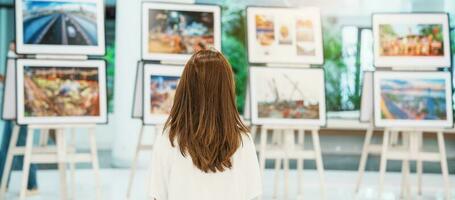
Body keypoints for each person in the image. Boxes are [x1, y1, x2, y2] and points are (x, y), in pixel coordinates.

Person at [148, 49, 262, 200]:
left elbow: (157, 195)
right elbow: (252, 195)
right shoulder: (243, 141)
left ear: (185, 89)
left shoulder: (168, 140)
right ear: (227, 91)